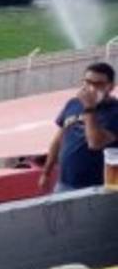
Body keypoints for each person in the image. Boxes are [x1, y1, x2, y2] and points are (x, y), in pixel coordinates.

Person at [39, 63, 118, 193]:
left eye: (98, 84)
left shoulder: (114, 113)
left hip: (98, 187)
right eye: (87, 82)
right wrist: (46, 172)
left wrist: (89, 108)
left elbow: (95, 143)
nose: (91, 88)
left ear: (110, 86)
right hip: (64, 183)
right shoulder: (73, 104)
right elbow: (58, 140)